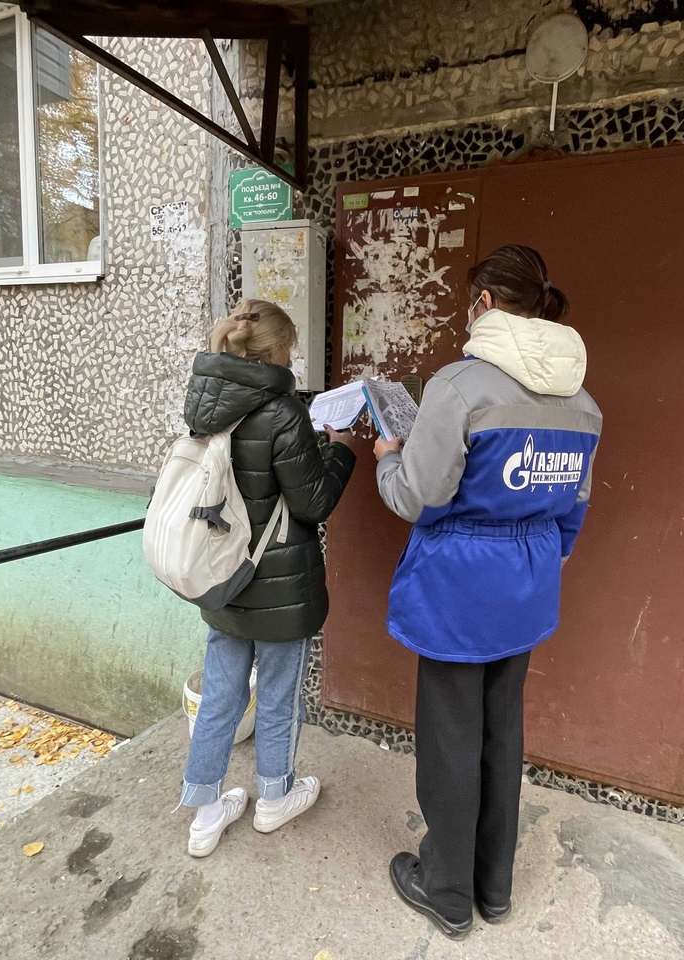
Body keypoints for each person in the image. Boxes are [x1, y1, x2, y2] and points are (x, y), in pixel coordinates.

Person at [374, 245, 601, 939]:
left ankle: (446, 891)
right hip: (527, 587)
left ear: (486, 302)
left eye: (471, 299)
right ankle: (493, 887)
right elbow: (574, 509)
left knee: (450, 739)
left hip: (458, 589)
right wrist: (537, 562)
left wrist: (389, 459)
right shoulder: (583, 402)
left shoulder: (459, 387)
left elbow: (419, 497)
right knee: (503, 732)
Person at [179, 299, 356, 857]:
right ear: (277, 350)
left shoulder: (204, 405)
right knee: (278, 697)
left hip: (222, 577)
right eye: (291, 348)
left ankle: (205, 814)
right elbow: (313, 503)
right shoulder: (283, 413)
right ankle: (275, 798)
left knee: (221, 697)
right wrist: (341, 452)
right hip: (279, 587)